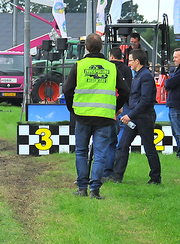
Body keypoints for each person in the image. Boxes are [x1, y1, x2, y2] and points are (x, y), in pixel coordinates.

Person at [62, 33, 130, 199]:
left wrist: (73, 108)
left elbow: (66, 90)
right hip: (105, 118)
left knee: (81, 152)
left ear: (86, 47)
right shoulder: (111, 67)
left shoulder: (79, 65)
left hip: (83, 116)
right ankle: (95, 191)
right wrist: (115, 107)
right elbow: (126, 90)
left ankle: (82, 188)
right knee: (100, 155)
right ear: (102, 48)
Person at [108, 49, 162, 184]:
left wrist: (129, 115)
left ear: (137, 61)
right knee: (122, 145)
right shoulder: (138, 75)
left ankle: (155, 178)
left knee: (149, 147)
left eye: (131, 60)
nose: (129, 62)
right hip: (135, 116)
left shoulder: (145, 76)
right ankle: (117, 177)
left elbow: (145, 100)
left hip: (144, 117)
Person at [102, 47, 133, 181]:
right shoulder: (126, 69)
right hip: (123, 104)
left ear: (111, 56)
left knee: (107, 141)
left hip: (107, 105)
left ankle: (105, 171)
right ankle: (115, 166)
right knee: (121, 135)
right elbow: (128, 88)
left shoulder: (107, 67)